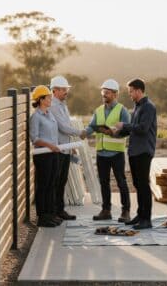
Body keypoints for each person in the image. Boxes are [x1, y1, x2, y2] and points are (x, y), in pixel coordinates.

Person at [85, 79, 131, 222]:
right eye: (103, 92)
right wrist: (83, 132)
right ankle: (106, 211)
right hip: (101, 153)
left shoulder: (122, 110)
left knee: (121, 182)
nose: (104, 94)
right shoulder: (98, 110)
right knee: (103, 182)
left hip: (116, 153)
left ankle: (126, 212)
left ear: (115, 94)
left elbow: (128, 129)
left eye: (107, 92)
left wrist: (114, 132)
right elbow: (92, 126)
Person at [115, 78, 157, 230]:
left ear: (139, 90)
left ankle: (147, 220)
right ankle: (140, 215)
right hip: (134, 151)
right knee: (138, 184)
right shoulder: (137, 107)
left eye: (131, 91)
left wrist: (124, 125)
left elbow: (143, 128)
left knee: (144, 185)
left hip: (144, 151)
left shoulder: (149, 107)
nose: (130, 94)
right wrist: (117, 131)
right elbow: (131, 129)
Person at [49, 75, 86, 221]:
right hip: (57, 150)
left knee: (62, 181)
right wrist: (79, 133)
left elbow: (67, 125)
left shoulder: (62, 105)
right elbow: (63, 127)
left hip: (65, 148)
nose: (66, 92)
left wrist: (71, 146)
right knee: (56, 182)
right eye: (64, 89)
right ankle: (54, 212)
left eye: (66, 89)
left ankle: (60, 211)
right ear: (55, 90)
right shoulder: (53, 106)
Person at [30, 85, 62, 227]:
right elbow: (35, 139)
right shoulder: (36, 117)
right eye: (48, 97)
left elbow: (54, 134)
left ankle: (50, 214)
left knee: (51, 184)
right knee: (43, 185)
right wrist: (50, 146)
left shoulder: (50, 114)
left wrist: (57, 146)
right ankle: (42, 217)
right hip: (43, 156)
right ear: (41, 99)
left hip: (53, 154)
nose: (51, 99)